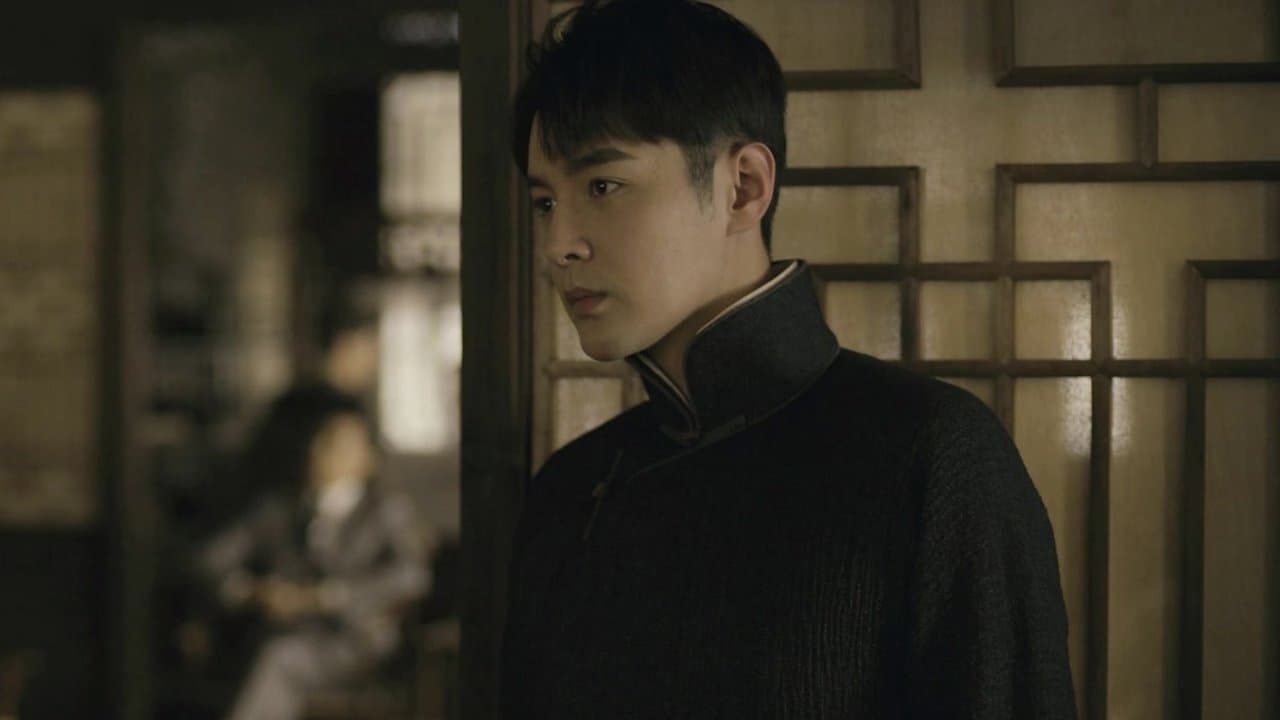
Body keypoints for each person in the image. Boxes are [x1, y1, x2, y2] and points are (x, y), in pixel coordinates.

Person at [499, 1, 1077, 717]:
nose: (559, 245)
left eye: (602, 186)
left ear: (744, 187)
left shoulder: (931, 457)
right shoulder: (570, 490)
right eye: (545, 203)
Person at [201, 389, 428, 720]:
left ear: (368, 458)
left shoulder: (385, 512)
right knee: (267, 655)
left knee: (278, 659)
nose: (320, 452)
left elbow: (412, 575)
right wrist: (253, 592)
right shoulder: (279, 510)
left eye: (337, 444)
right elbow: (211, 560)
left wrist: (325, 597)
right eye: (318, 441)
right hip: (283, 633)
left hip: (357, 643)